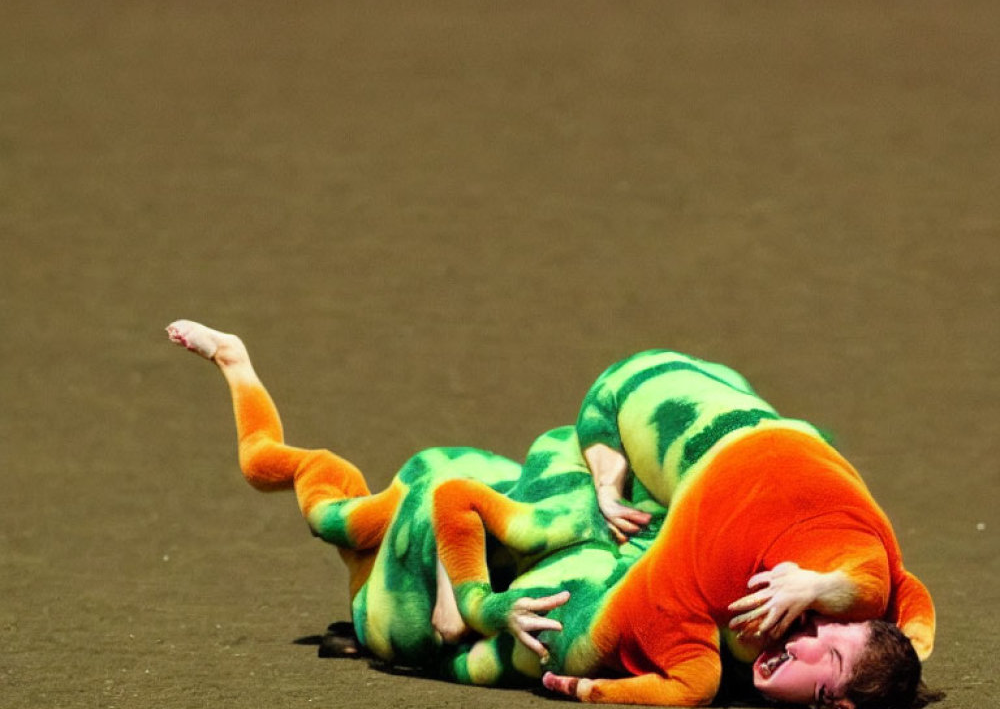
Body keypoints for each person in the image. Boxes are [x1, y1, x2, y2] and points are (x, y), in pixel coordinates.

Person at [167, 322, 937, 707]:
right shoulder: (567, 529)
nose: (798, 630)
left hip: (472, 527)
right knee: (323, 502)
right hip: (439, 508)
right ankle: (237, 361)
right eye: (818, 634)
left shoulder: (725, 631)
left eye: (823, 649)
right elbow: (451, 502)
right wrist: (472, 602)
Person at [432, 349, 938, 706]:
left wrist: (592, 689)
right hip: (711, 441)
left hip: (739, 472)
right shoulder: (641, 397)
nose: (807, 635)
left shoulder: (803, 629)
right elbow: (875, 583)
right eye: (825, 638)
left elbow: (897, 608)